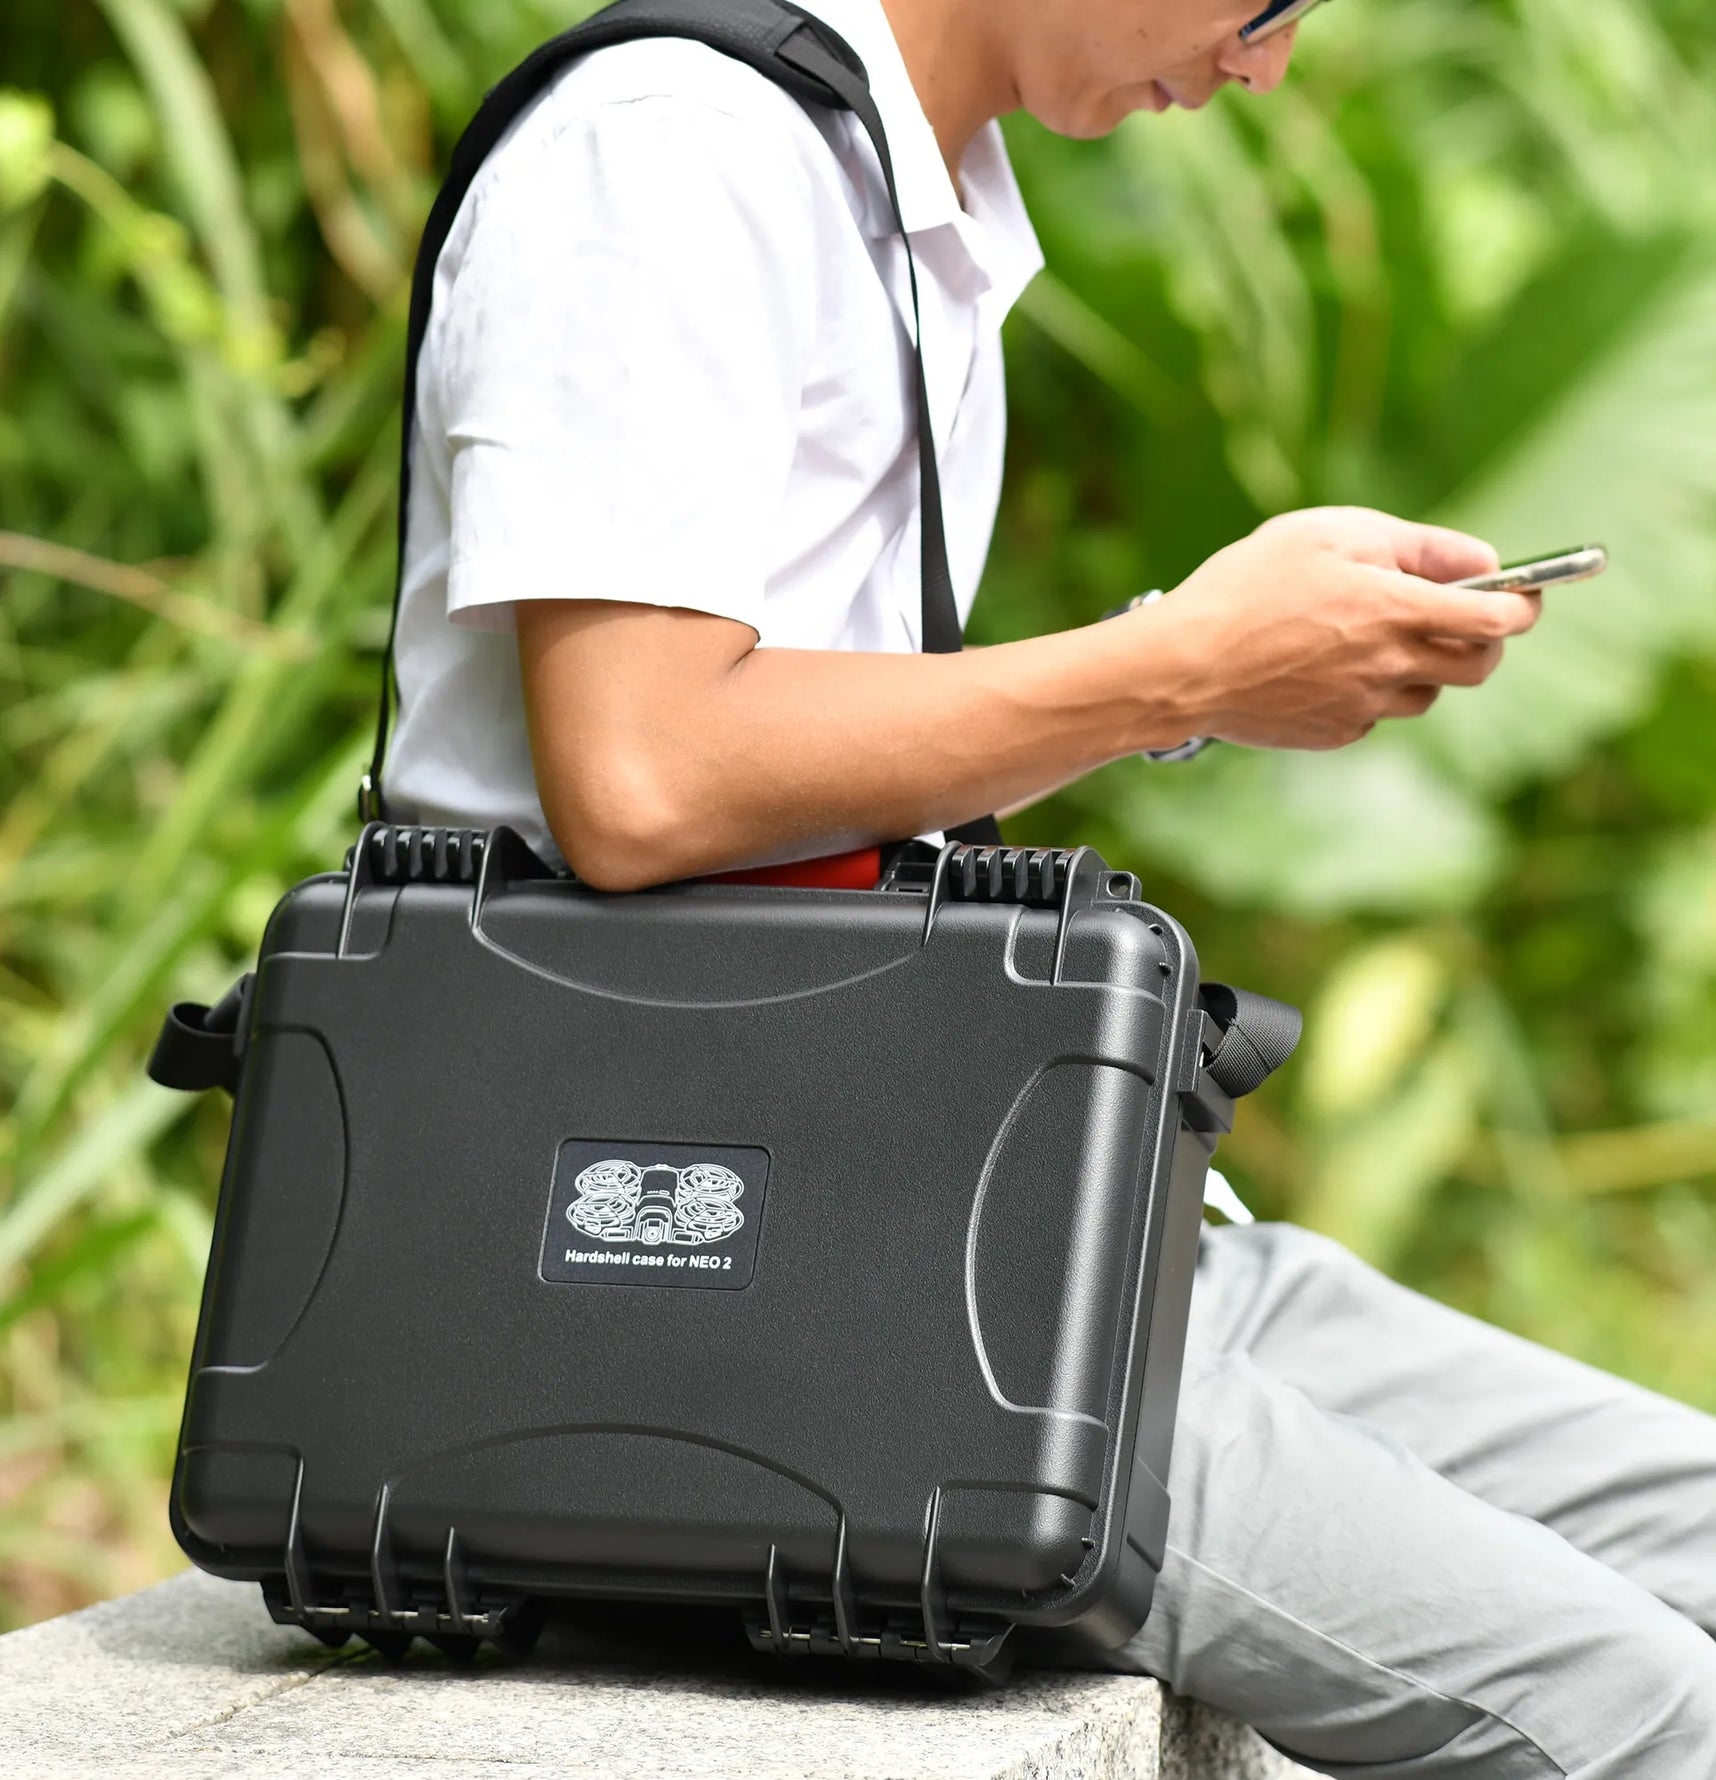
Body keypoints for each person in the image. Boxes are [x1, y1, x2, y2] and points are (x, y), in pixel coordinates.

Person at [382, 0, 1716, 1771]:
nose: (1267, 64)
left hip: (962, 1213)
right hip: (726, 1277)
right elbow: (645, 776)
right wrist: (1180, 670)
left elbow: (811, 776)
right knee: (1643, 1710)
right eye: (1268, 4)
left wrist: (1196, 655)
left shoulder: (901, 186)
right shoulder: (673, 154)